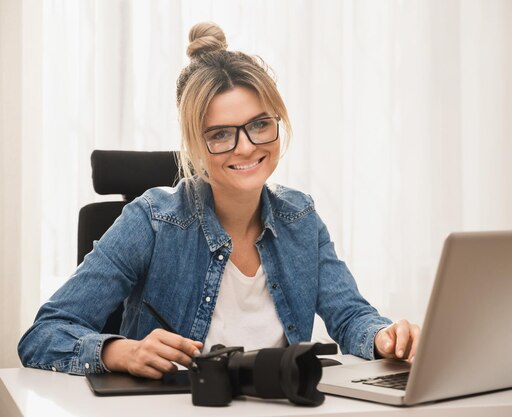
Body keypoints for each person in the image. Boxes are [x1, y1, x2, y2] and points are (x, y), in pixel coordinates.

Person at [18, 22, 420, 379]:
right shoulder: (152, 221)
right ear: (194, 145)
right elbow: (43, 335)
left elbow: (351, 318)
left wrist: (384, 337)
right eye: (221, 134)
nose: (246, 147)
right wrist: (120, 351)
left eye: (260, 125)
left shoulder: (301, 218)